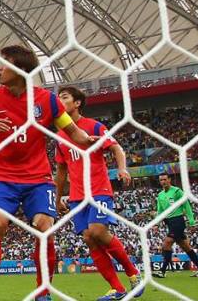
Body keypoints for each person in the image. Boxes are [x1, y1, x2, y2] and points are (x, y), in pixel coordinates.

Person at [0, 44, 98, 301]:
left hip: (39, 179)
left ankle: (43, 291)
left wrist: (90, 140)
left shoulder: (47, 100)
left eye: (3, 63)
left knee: (44, 227)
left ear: (20, 68)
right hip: (3, 177)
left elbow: (73, 131)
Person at [53, 86, 142, 300]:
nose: (60, 100)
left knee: (97, 232)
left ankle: (133, 273)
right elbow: (61, 170)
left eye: (64, 97)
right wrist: (57, 198)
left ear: (77, 103)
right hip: (76, 196)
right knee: (89, 239)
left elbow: (116, 148)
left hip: (99, 190)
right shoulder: (59, 135)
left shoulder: (94, 126)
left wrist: (122, 168)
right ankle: (117, 289)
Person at [153, 173, 198, 278]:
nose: (163, 182)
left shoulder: (177, 191)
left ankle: (162, 271)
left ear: (169, 179)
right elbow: (160, 211)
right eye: (161, 180)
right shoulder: (160, 195)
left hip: (178, 221)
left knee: (166, 243)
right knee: (186, 247)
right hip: (169, 222)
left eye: (165, 179)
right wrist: (156, 223)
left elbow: (186, 205)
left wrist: (191, 221)